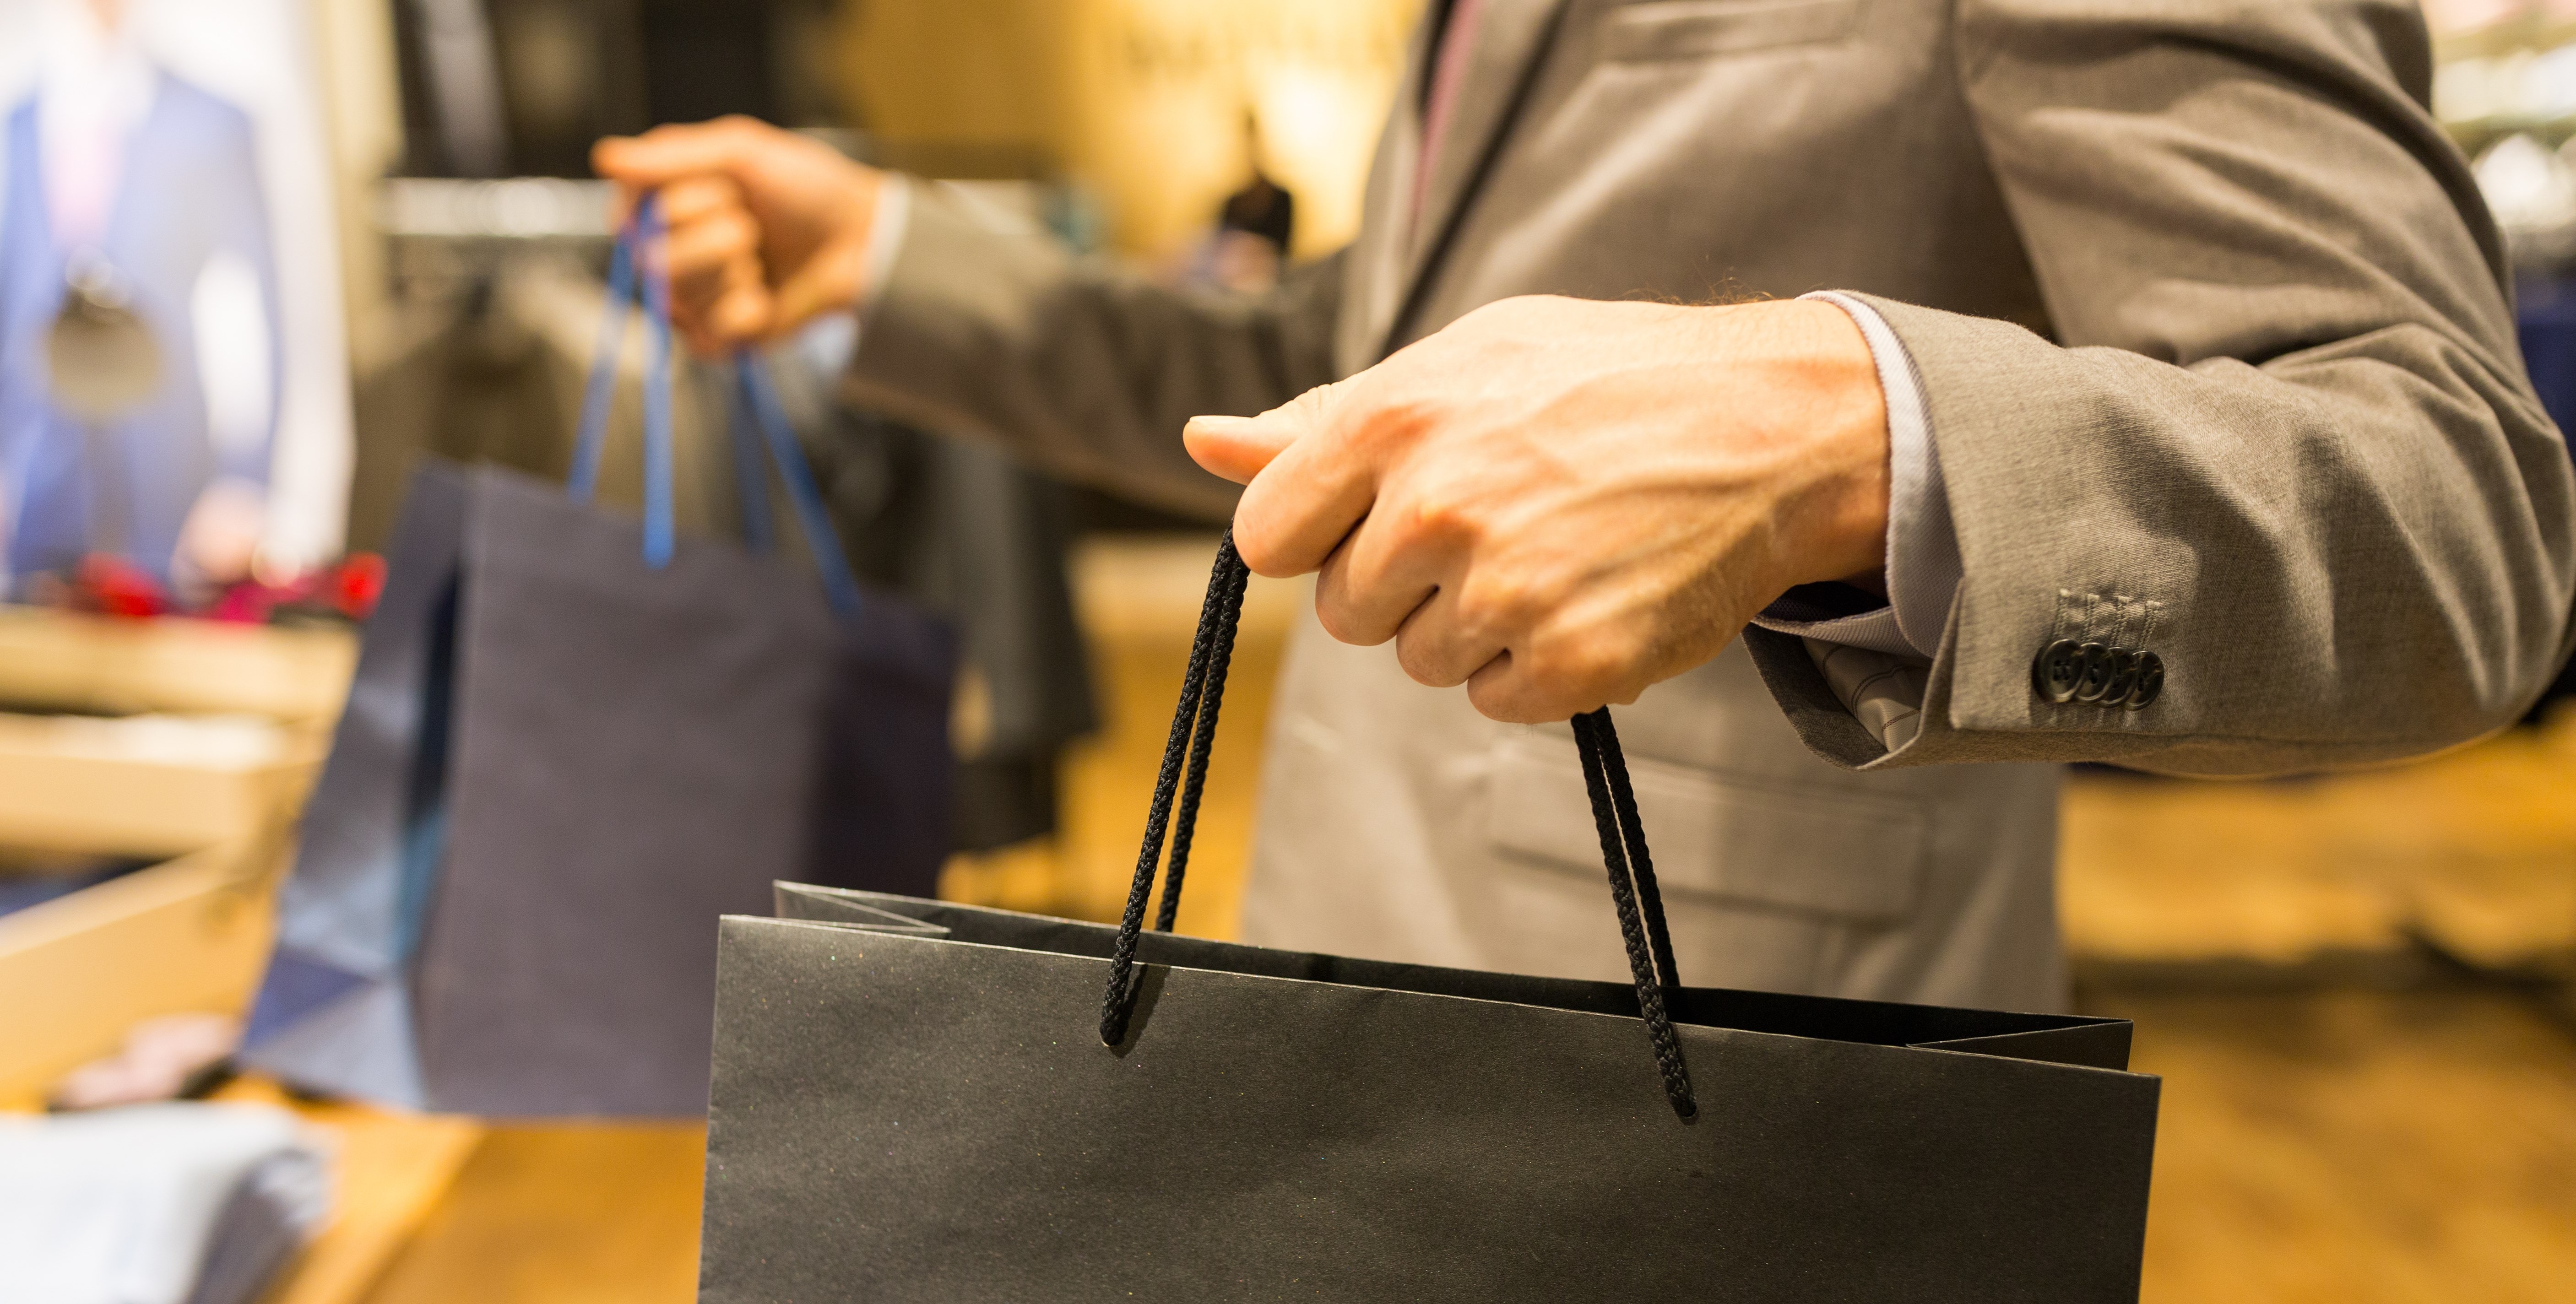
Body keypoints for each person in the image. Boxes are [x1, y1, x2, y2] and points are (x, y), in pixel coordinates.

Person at [597, 0, 2576, 1012]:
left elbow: (2455, 508)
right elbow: (1362, 353)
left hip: (1723, 1097)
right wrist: (896, 257)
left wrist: (1846, 431)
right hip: (1356, 971)